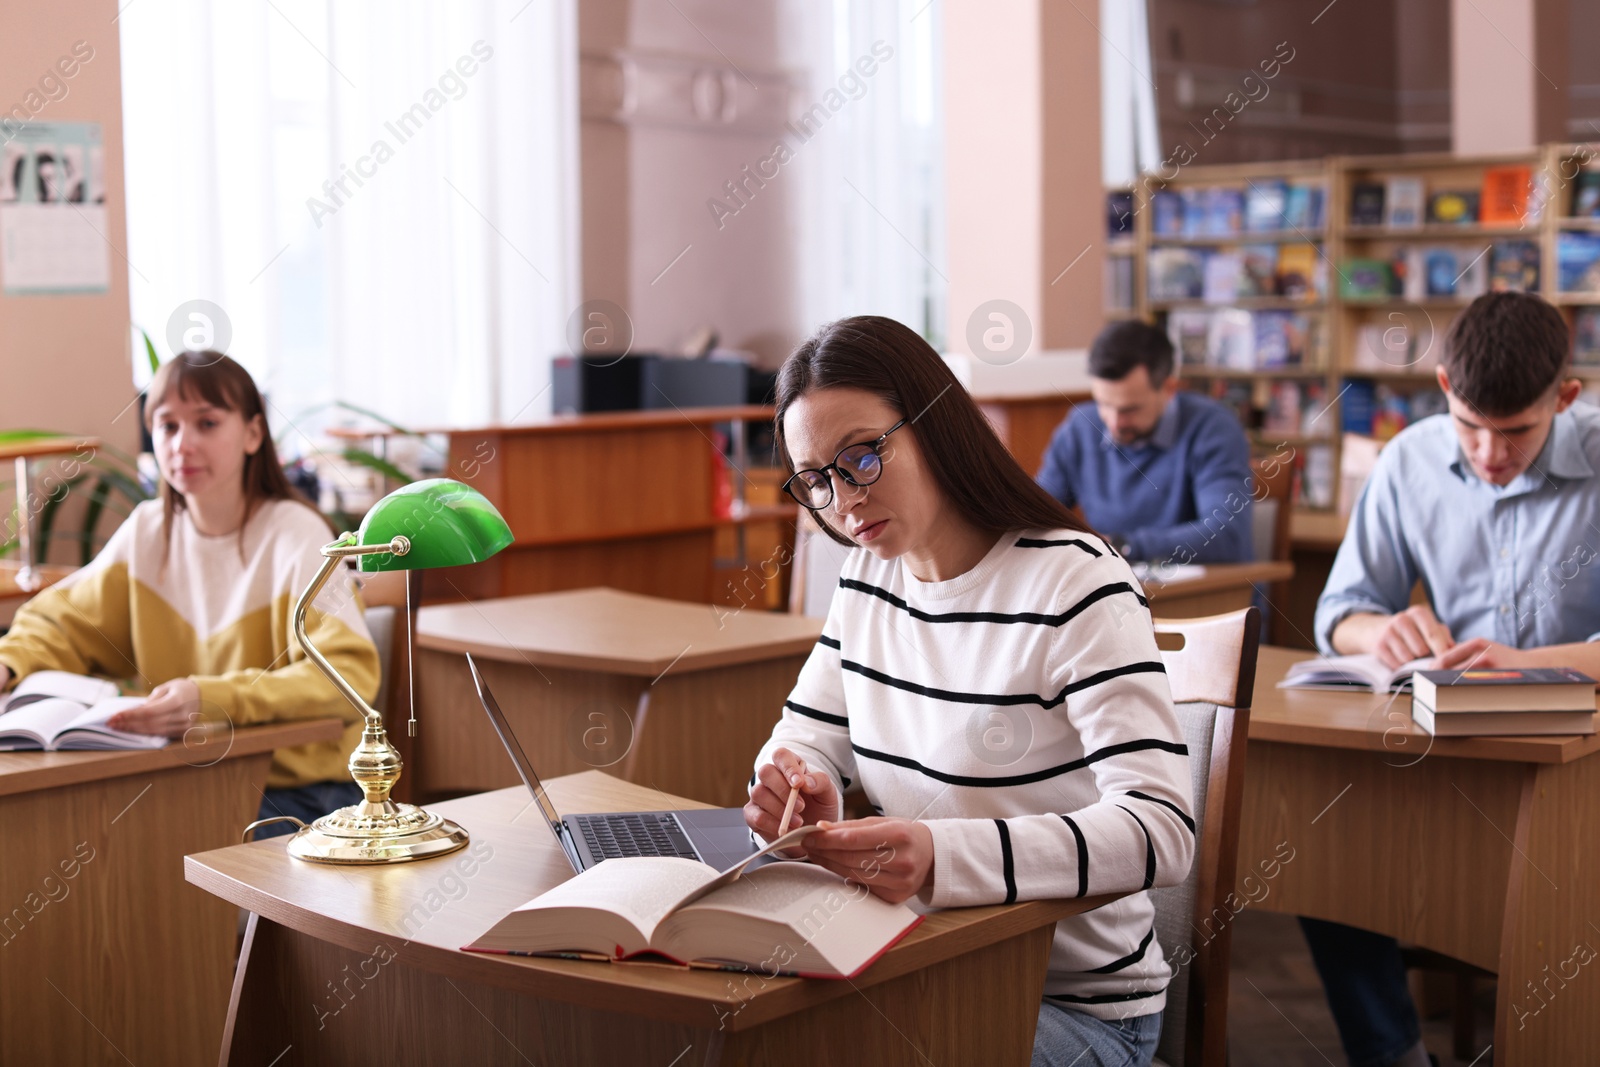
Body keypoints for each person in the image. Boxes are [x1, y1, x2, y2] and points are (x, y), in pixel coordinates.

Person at [744, 316, 1196, 1067]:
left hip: (1074, 1008)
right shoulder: (869, 579)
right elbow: (804, 736)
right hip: (923, 964)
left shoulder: (1077, 582)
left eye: (861, 456)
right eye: (816, 479)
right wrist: (797, 779)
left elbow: (1162, 828)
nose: (842, 499)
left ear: (936, 423)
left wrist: (942, 856)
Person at [1308, 291, 1600, 1067]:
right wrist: (1385, 628)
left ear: (1565, 399)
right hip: (1448, 760)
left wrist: (1527, 663)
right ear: (1443, 387)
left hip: (1583, 770)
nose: (1487, 453)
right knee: (1322, 854)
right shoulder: (1409, 457)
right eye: (1470, 424)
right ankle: (1395, 1055)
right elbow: (1340, 611)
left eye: (1515, 431)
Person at [0, 352, 380, 836]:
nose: (183, 444)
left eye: (206, 423)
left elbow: (348, 678)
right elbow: (58, 619)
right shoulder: (148, 531)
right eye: (167, 426)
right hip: (185, 776)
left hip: (300, 793)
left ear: (252, 434)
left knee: (148, 854)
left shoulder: (299, 535)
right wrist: (9, 662)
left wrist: (212, 699)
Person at [1037, 320, 1254, 563]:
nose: (1115, 422)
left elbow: (1226, 536)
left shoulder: (1214, 428)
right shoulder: (1080, 427)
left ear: (1169, 388)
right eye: (1104, 404)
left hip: (1208, 595)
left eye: (1129, 410)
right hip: (1118, 591)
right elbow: (1036, 517)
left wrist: (1122, 547)